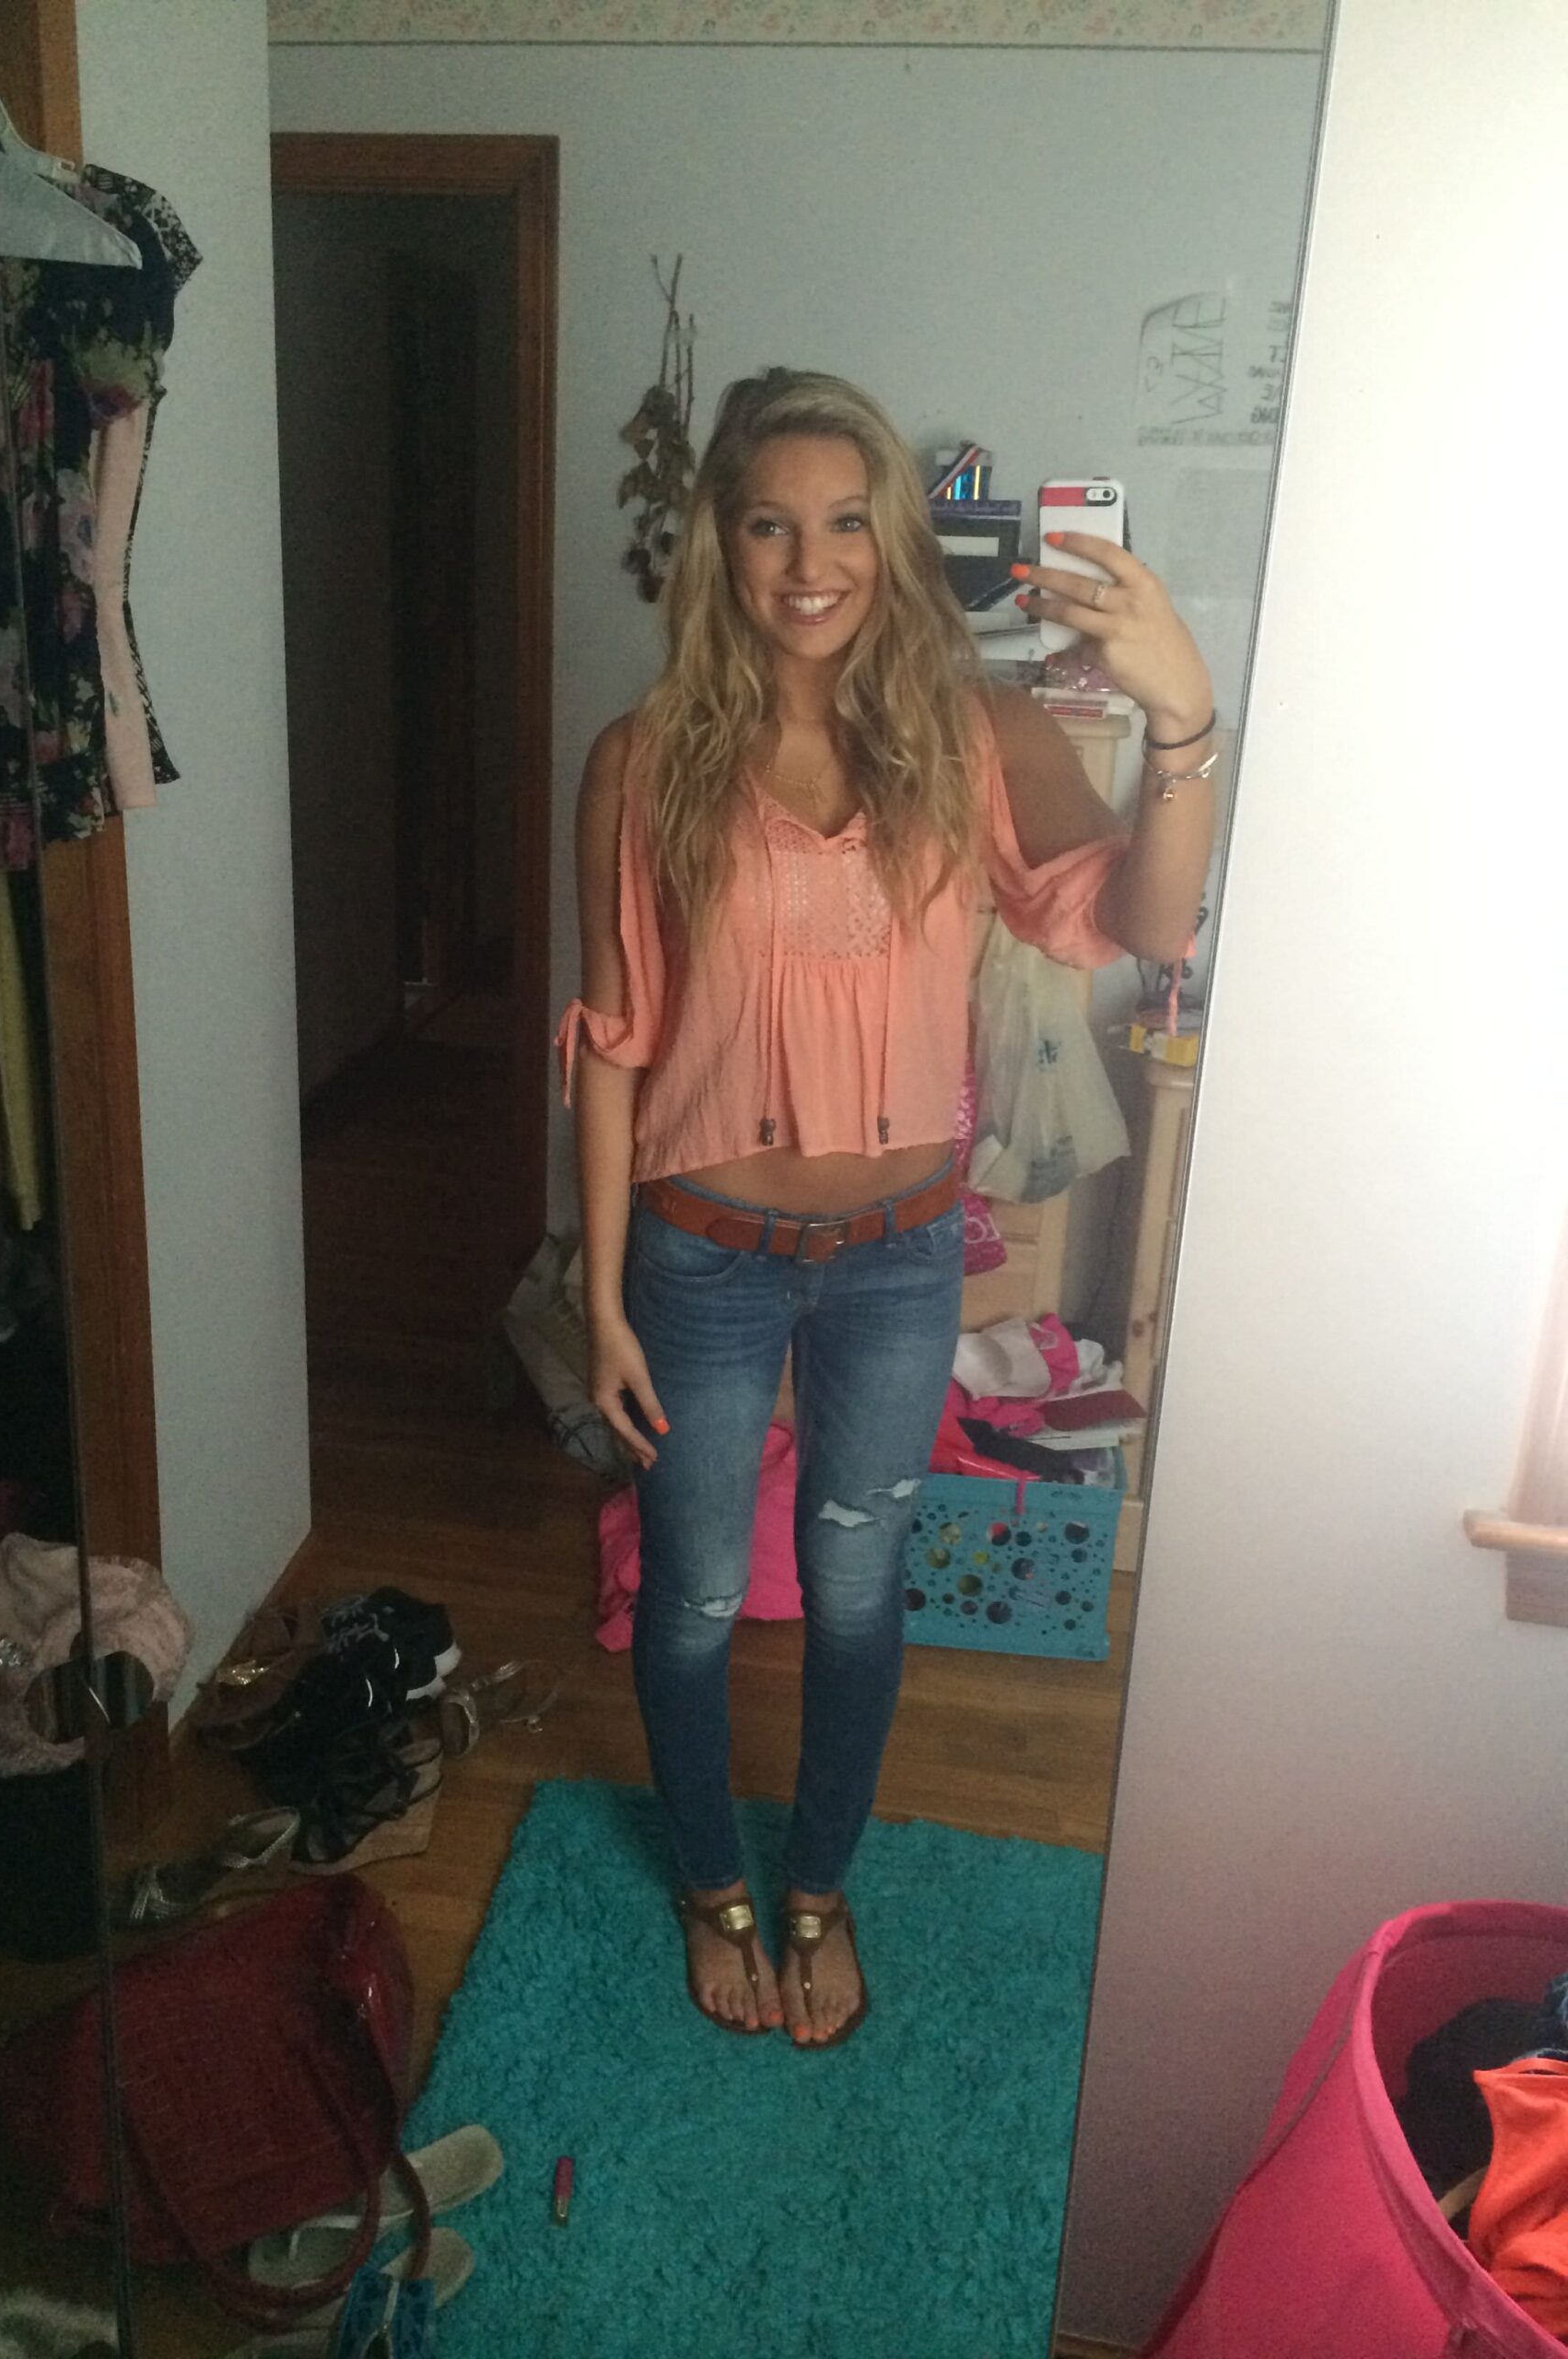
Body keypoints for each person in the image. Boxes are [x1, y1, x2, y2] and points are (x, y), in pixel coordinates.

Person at [558, 369, 1213, 2048]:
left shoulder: (975, 737)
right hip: (701, 1257)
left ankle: (820, 1886)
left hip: (897, 1258)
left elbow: (1140, 922)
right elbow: (616, 1043)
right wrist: (602, 1297)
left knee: (859, 1586)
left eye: (847, 522)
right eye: (770, 524)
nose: (811, 564)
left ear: (895, 540)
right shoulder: (643, 763)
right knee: (696, 1592)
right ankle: (711, 1876)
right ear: (719, 541)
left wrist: (1182, 723)